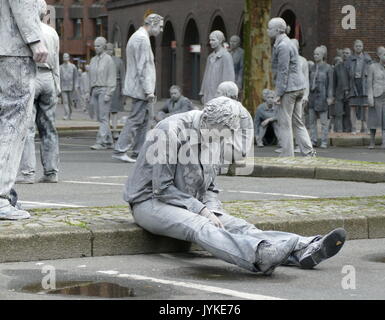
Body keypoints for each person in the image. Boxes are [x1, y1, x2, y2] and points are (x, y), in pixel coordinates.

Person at [125, 96, 347, 276]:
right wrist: (202, 211)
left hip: (190, 204)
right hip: (149, 202)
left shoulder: (216, 136)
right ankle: (260, 256)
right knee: (200, 226)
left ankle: (304, 247)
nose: (220, 142)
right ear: (206, 124)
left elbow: (210, 189)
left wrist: (211, 209)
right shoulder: (170, 130)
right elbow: (162, 188)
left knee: (240, 226)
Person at [0, 0, 48, 220]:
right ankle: (1, 196)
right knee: (14, 122)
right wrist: (35, 39)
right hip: (13, 47)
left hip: (6, 45)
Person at [17, 0, 61, 184]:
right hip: (49, 78)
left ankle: (28, 172)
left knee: (28, 127)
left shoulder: (27, 30)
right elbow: (56, 60)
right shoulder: (52, 32)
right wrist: (57, 85)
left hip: (31, 76)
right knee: (49, 127)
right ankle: (51, 172)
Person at [112, 14, 164, 163]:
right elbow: (144, 67)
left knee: (144, 120)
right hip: (141, 88)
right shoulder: (142, 39)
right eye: (160, 26)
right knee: (136, 119)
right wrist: (149, 91)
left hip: (139, 87)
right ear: (152, 23)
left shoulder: (139, 37)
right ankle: (121, 149)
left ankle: (138, 150)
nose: (161, 30)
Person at [268, 17, 315, 157]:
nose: (267, 31)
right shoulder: (287, 43)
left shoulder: (283, 46)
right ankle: (308, 151)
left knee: (285, 121)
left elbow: (283, 71)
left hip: (290, 88)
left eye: (269, 28)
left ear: (277, 30)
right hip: (298, 87)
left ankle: (287, 154)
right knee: (297, 121)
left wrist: (278, 93)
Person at [88, 37, 117, 150]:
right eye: (95, 46)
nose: (96, 48)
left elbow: (112, 76)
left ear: (104, 46)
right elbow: (90, 76)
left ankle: (100, 141)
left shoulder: (109, 59)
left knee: (104, 117)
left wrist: (109, 93)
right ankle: (109, 142)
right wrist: (88, 92)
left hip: (104, 89)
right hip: (94, 90)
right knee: (100, 118)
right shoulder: (93, 60)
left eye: (98, 45)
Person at [367, 47, 385, 150]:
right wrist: (370, 97)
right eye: (384, 55)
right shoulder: (372, 67)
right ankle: (372, 142)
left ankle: (384, 143)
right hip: (375, 96)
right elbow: (369, 84)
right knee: (373, 120)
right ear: (379, 55)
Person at [199, 30, 235, 104]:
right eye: (210, 40)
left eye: (213, 40)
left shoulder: (226, 56)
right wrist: (203, 92)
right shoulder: (210, 57)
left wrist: (226, 96)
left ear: (220, 41)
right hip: (208, 95)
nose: (210, 42)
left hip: (220, 97)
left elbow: (229, 78)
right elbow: (206, 76)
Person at [308, 46, 334, 149]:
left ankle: (324, 141)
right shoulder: (311, 68)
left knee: (324, 122)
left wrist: (330, 97)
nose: (315, 56)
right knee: (311, 122)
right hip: (312, 98)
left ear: (323, 55)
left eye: (317, 54)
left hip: (323, 98)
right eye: (314, 54)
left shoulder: (328, 68)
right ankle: (313, 140)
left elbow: (330, 85)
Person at [345, 40, 372, 134]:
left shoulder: (367, 59)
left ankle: (365, 127)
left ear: (363, 47)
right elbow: (346, 75)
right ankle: (353, 128)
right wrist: (347, 88)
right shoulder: (349, 59)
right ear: (353, 47)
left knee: (365, 107)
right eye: (357, 46)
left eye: (360, 46)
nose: (358, 48)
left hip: (364, 83)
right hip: (353, 83)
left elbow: (371, 74)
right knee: (353, 106)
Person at [106, 43, 126, 141]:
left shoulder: (118, 61)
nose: (109, 51)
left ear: (113, 50)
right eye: (107, 49)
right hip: (105, 88)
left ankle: (114, 130)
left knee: (114, 111)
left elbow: (123, 75)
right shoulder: (103, 61)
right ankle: (107, 131)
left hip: (116, 88)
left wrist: (123, 89)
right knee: (105, 112)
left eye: (110, 49)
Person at [60, 53, 79, 120]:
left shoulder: (73, 67)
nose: (65, 58)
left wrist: (76, 85)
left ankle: (70, 114)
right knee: (65, 101)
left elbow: (76, 77)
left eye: (66, 57)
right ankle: (66, 114)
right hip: (63, 86)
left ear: (68, 58)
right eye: (64, 57)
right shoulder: (61, 67)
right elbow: (59, 77)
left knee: (70, 102)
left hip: (71, 87)